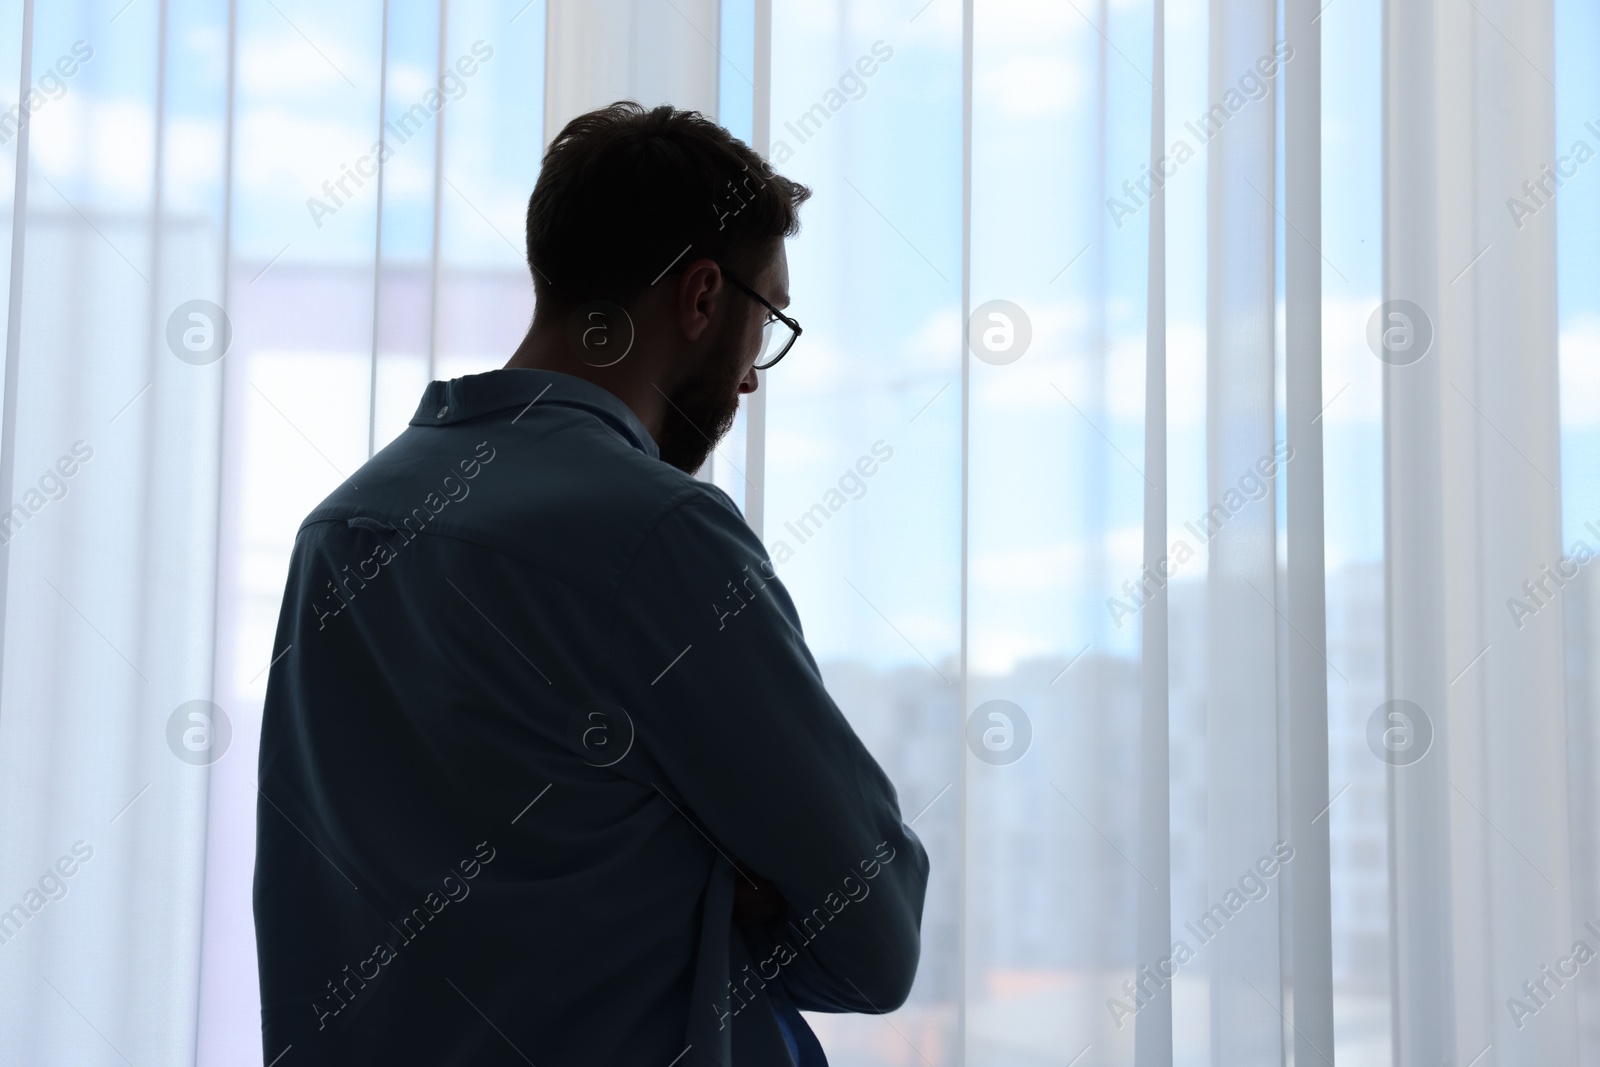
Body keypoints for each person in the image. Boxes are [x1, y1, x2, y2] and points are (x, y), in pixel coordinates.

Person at [253, 100, 929, 1066]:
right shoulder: (659, 536)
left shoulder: (341, 529)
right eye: (766, 319)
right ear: (702, 297)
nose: (750, 377)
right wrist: (717, 883)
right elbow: (876, 941)